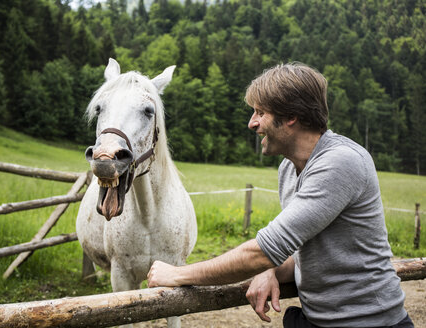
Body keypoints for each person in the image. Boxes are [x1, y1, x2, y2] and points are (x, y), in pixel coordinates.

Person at [147, 62, 414, 327]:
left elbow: (263, 250)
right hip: (318, 320)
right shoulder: (289, 168)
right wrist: (269, 268)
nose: (252, 123)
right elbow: (293, 248)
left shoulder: (341, 162)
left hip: (372, 323)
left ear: (290, 117)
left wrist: (179, 274)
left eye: (260, 112)